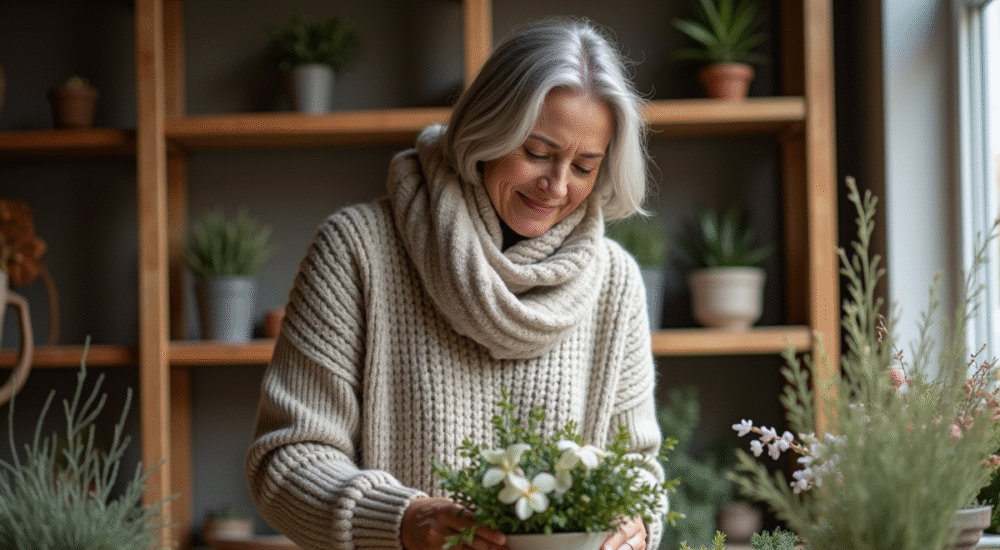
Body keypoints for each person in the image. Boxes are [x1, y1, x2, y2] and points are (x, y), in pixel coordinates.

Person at [245, 17, 664, 550]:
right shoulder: (357, 251)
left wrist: (637, 525)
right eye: (536, 152)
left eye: (584, 166)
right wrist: (399, 520)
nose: (556, 186)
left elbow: (639, 472)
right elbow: (285, 460)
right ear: (487, 131)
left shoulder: (615, 281)